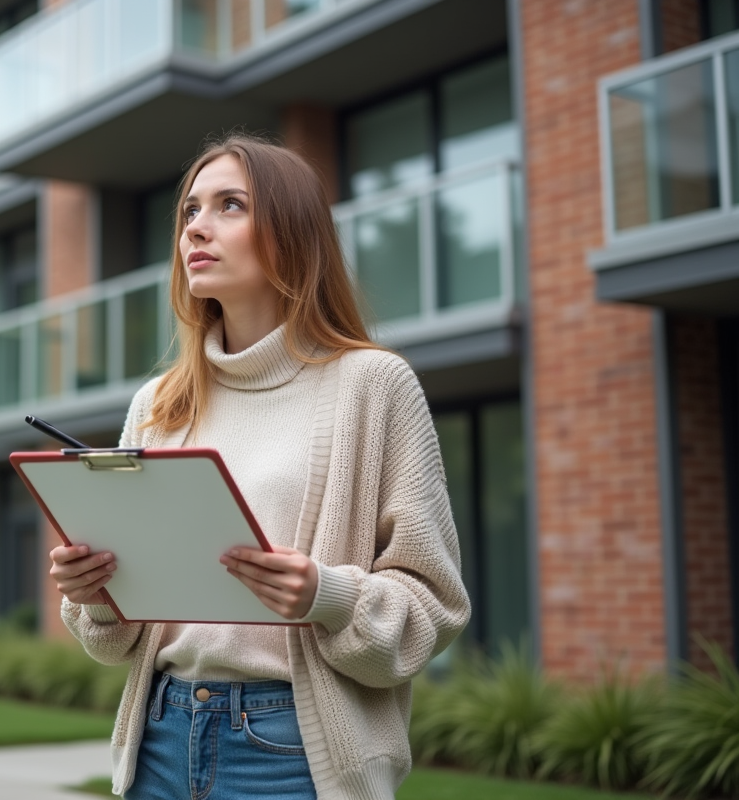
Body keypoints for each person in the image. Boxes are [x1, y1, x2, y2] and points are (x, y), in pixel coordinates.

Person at [48, 134, 471, 800]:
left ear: (291, 235)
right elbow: (116, 644)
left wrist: (324, 598)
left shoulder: (374, 386)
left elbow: (435, 607)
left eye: (230, 206)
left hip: (293, 748)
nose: (197, 228)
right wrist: (94, 593)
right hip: (158, 734)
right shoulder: (158, 406)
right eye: (189, 211)